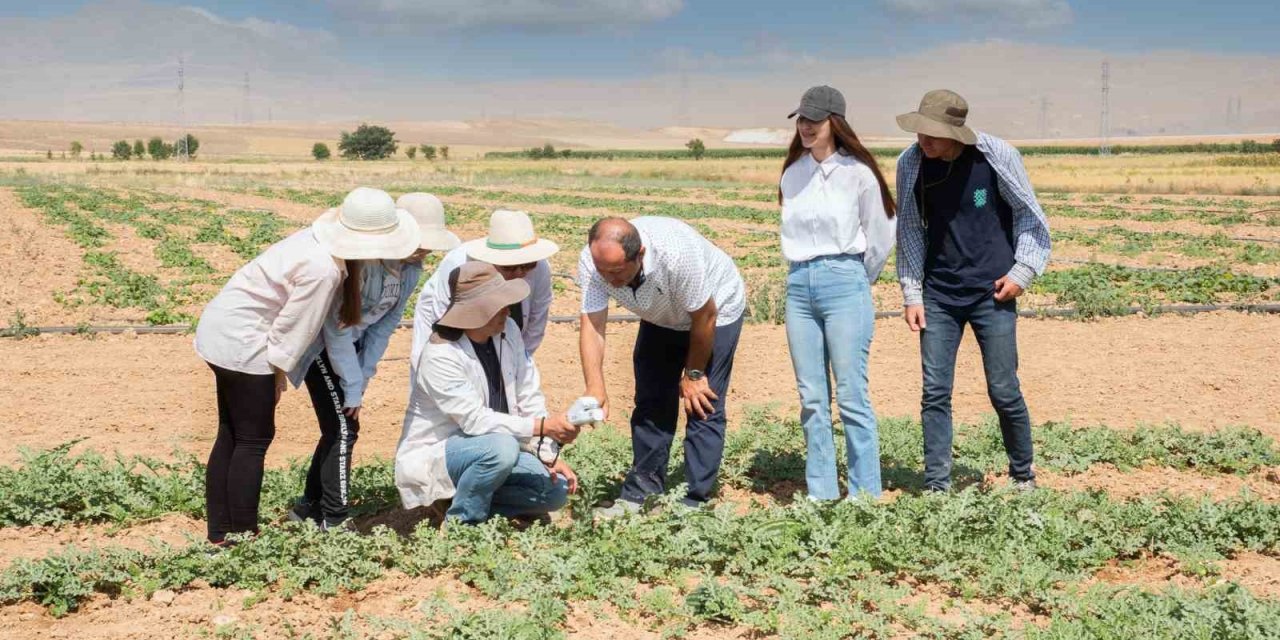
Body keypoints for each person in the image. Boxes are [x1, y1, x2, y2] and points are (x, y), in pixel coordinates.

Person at [194, 187, 420, 545]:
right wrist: (277, 375)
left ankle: (221, 534)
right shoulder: (324, 271)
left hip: (223, 329)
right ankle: (241, 536)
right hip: (247, 341)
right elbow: (292, 329)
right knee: (253, 439)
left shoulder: (318, 246)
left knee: (232, 435)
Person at [894, 89, 1052, 492]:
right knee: (935, 392)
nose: (923, 140)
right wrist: (912, 293)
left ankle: (1022, 475)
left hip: (992, 293)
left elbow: (1028, 214)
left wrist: (1021, 272)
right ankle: (937, 485)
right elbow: (909, 228)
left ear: (955, 133)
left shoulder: (995, 156)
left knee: (1003, 388)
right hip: (938, 295)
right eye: (920, 131)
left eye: (932, 134)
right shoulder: (911, 163)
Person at [286, 192, 461, 530]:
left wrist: (363, 374)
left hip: (351, 352)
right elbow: (336, 331)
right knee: (344, 428)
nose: (423, 253)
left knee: (339, 427)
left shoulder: (410, 270)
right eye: (419, 245)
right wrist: (352, 385)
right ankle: (335, 520)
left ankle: (309, 507)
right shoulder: (363, 264)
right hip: (320, 347)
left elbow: (384, 325)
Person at [578, 216, 745, 515]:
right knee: (651, 399)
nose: (608, 280)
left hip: (715, 309)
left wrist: (694, 373)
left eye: (616, 272)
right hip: (662, 313)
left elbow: (705, 316)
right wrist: (595, 386)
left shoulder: (676, 255)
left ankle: (695, 501)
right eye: (602, 271)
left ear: (639, 254)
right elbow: (592, 325)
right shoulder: (595, 262)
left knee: (702, 402)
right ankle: (641, 494)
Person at [779, 85, 897, 501]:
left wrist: (855, 278)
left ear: (835, 123)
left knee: (851, 395)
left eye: (815, 119)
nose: (806, 126)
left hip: (845, 281)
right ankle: (822, 494)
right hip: (798, 285)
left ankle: (865, 497)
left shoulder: (858, 174)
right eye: (802, 119)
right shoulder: (792, 173)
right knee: (812, 399)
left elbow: (881, 236)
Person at [396, 262, 581, 524]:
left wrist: (546, 454)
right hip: (448, 452)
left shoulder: (508, 330)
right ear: (476, 311)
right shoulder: (440, 355)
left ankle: (460, 500)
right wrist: (543, 427)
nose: (508, 309)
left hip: (495, 448)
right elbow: (475, 421)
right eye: (499, 304)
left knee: (555, 491)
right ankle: (463, 523)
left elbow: (527, 392)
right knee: (501, 448)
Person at [411, 209, 557, 368]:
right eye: (509, 267)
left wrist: (518, 362)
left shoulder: (540, 267)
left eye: (527, 266)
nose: (519, 273)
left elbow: (536, 322)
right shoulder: (459, 264)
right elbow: (443, 318)